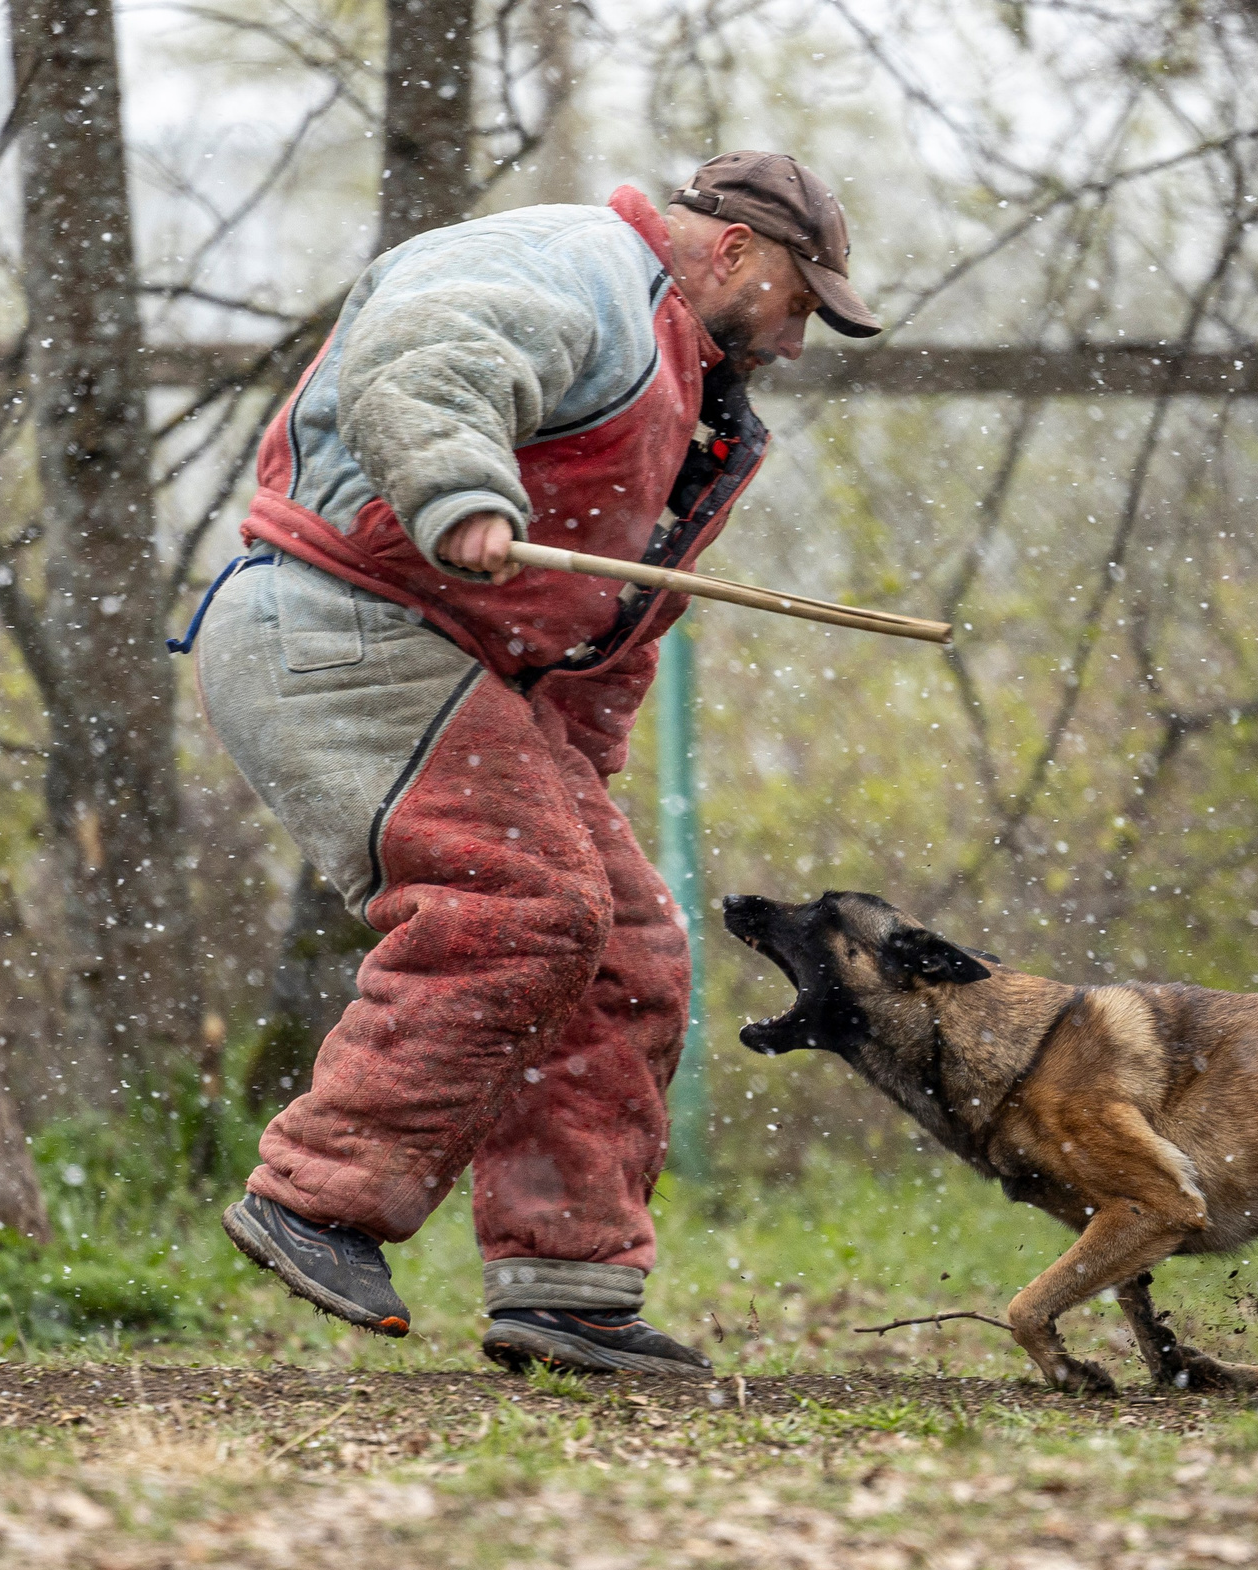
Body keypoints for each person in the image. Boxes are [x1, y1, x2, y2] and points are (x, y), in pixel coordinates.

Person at [182, 152, 880, 1375]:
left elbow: (600, 632)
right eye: (798, 302)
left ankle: (566, 1288)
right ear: (732, 251)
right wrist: (458, 490)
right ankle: (317, 1196)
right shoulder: (574, 267)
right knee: (520, 901)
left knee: (625, 942)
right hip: (339, 617)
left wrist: (582, 774)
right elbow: (426, 350)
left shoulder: (695, 393)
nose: (798, 339)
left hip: (455, 662)